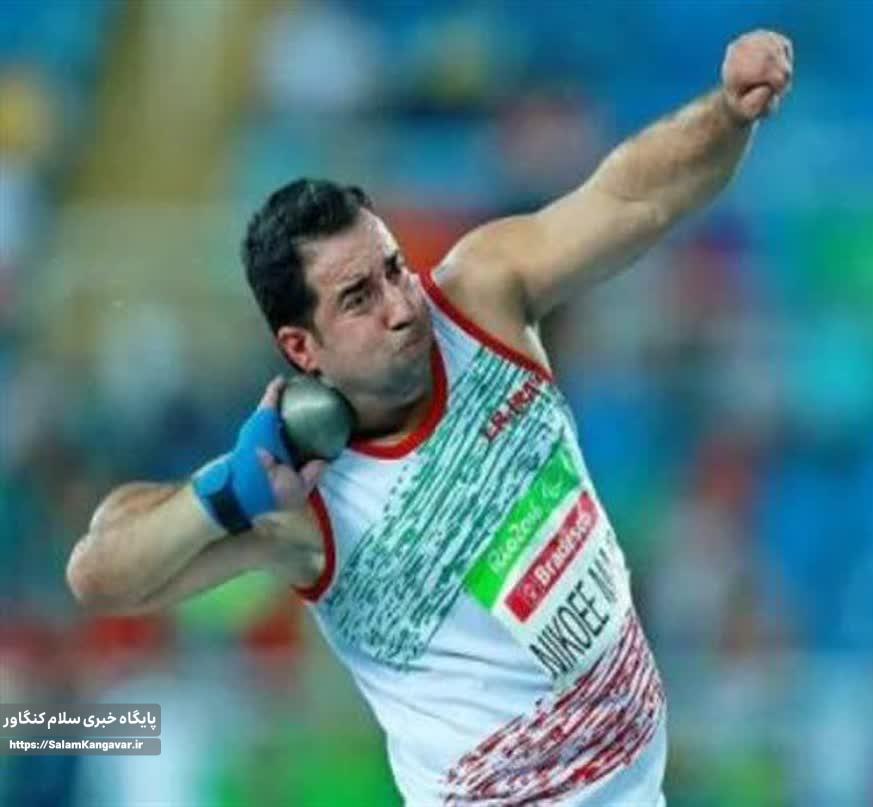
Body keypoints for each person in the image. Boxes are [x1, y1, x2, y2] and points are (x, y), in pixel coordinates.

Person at [67, 29, 793, 805]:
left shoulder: (481, 295)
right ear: (301, 347)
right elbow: (99, 575)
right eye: (359, 298)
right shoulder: (295, 499)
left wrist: (726, 112)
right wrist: (223, 494)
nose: (400, 307)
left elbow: (634, 197)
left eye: (393, 269)